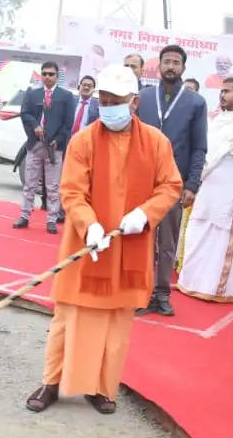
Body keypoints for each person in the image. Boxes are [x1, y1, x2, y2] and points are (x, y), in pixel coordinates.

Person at [25, 64, 182, 415]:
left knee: (116, 325)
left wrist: (145, 214)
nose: (108, 107)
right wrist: (90, 225)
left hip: (130, 246)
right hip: (88, 247)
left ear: (135, 102)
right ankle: (52, 382)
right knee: (69, 318)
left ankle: (100, 387)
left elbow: (170, 185)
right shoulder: (83, 140)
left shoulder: (157, 142)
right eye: (104, 100)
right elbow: (71, 191)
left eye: (116, 101)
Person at [133, 44, 208, 317]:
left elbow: (200, 147)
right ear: (159, 65)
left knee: (167, 242)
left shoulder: (196, 103)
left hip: (173, 184)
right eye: (167, 61)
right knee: (141, 240)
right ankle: (140, 293)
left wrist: (192, 185)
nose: (171, 67)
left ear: (184, 68)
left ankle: (162, 294)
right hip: (142, 182)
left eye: (176, 62)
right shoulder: (142, 98)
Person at [177, 76, 233, 302]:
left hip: (229, 193)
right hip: (207, 190)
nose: (222, 95)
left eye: (227, 91)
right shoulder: (218, 120)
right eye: (221, 92)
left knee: (221, 238)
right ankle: (191, 282)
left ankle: (218, 290)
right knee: (197, 232)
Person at [14, 61, 77, 234]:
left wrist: (58, 139)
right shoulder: (33, 94)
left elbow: (68, 123)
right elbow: (25, 113)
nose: (47, 77)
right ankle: (25, 216)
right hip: (35, 144)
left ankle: (51, 219)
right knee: (30, 183)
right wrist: (34, 126)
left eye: (51, 74)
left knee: (53, 186)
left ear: (57, 76)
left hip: (54, 147)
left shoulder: (66, 96)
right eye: (45, 74)